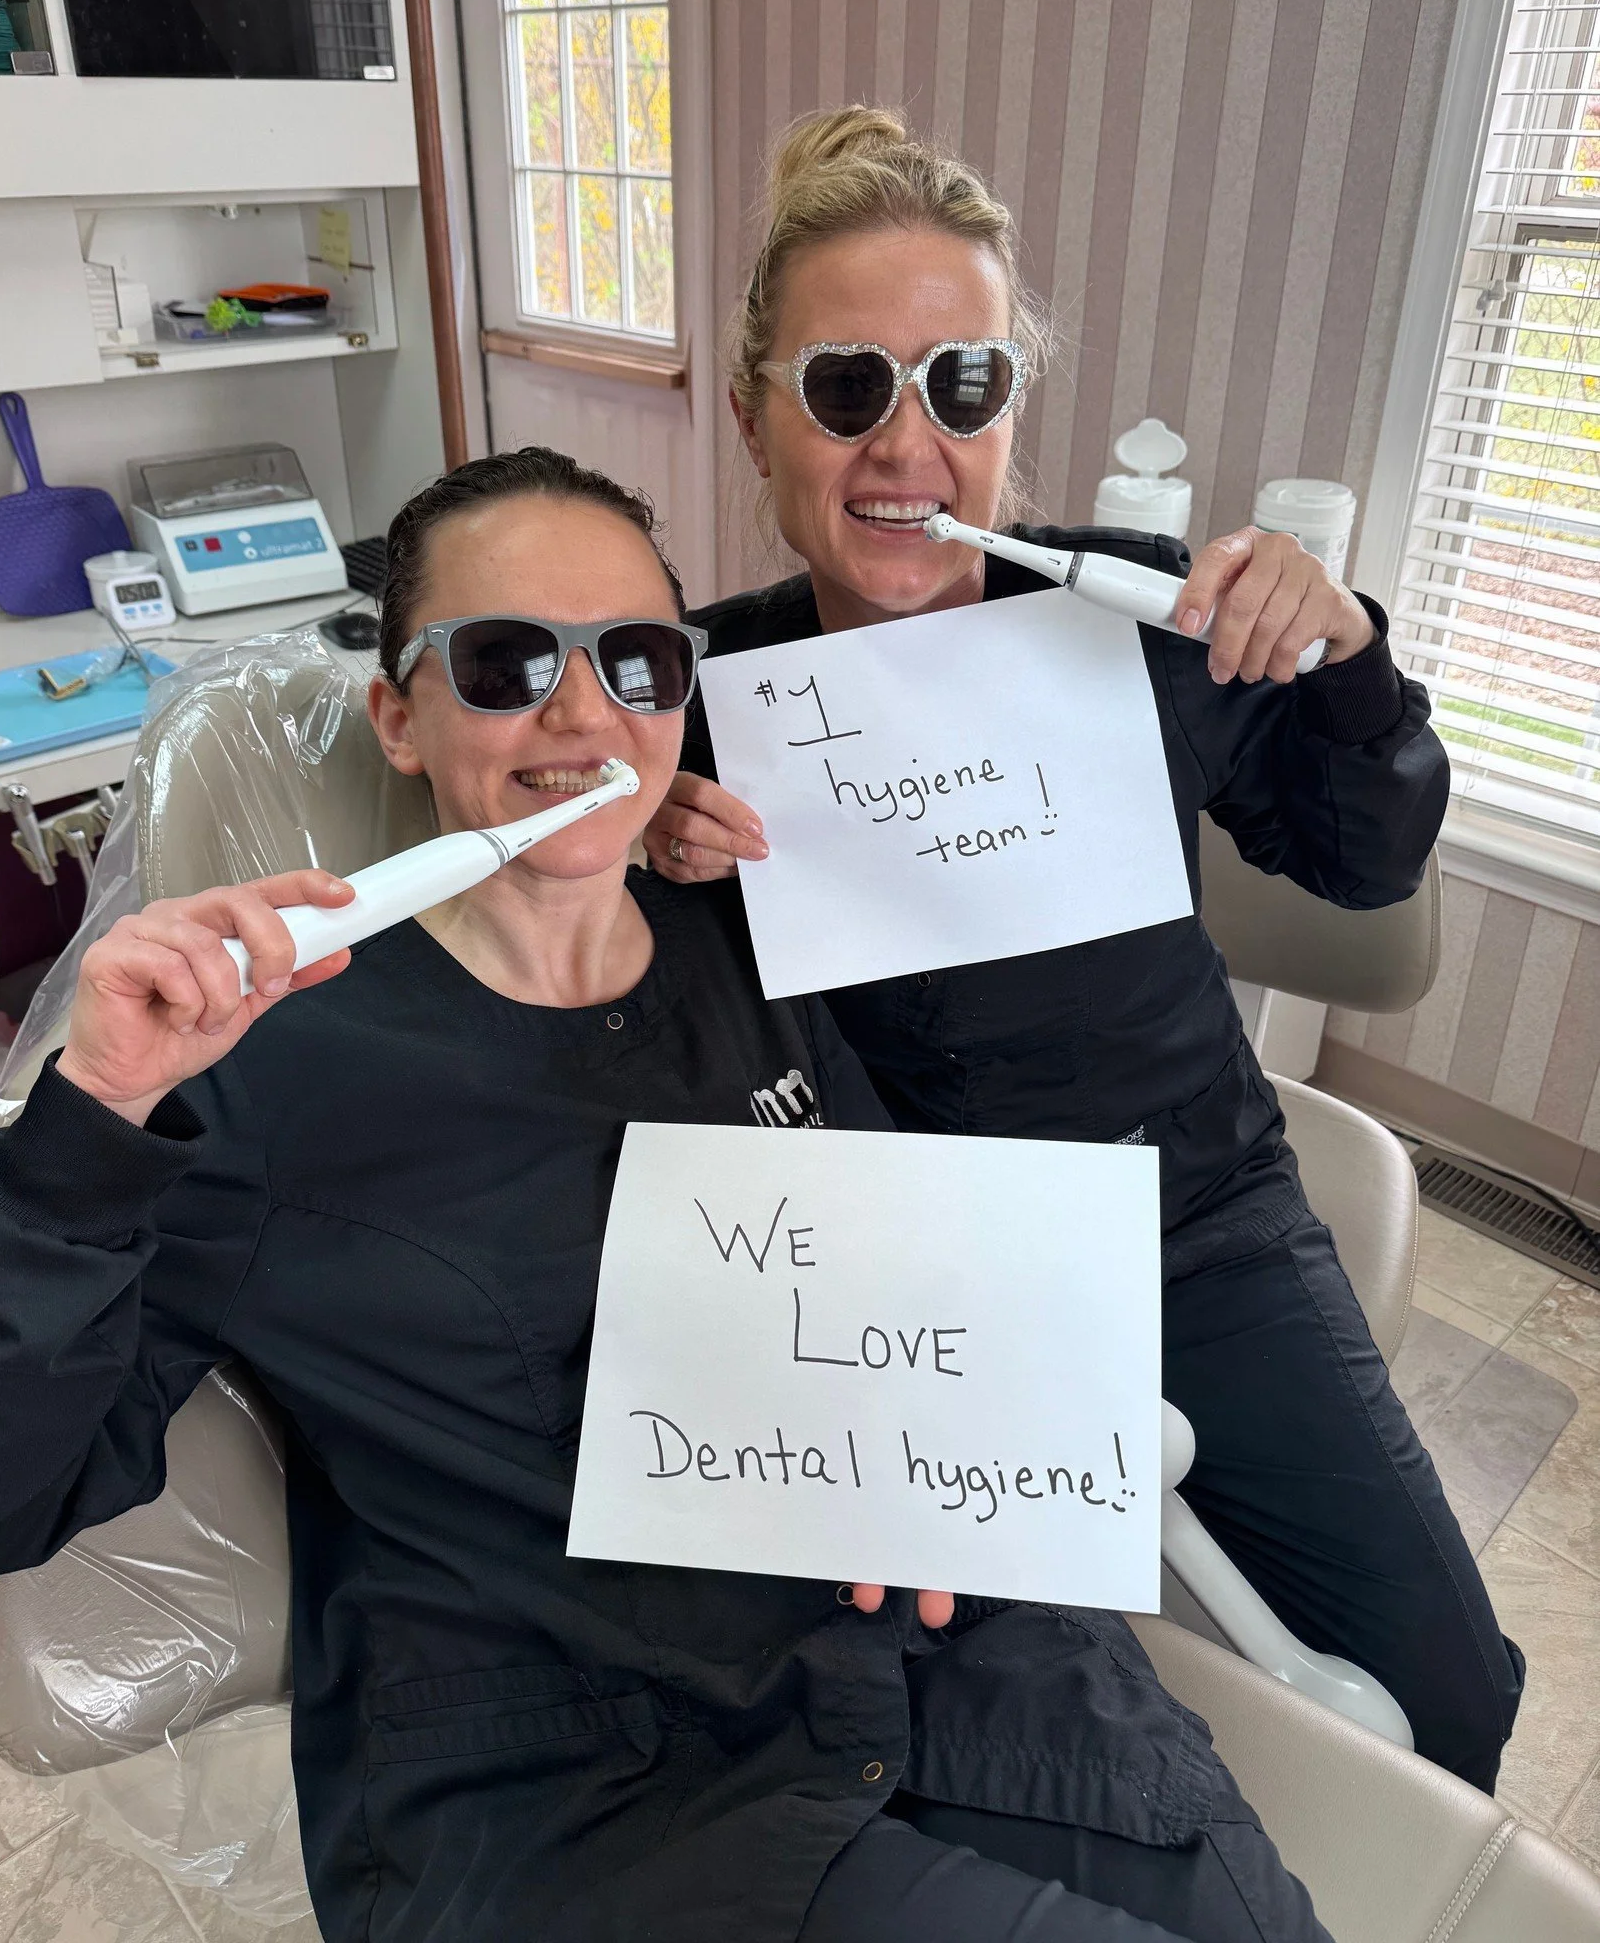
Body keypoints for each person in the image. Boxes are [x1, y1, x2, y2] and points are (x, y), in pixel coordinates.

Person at [0, 448, 1330, 1943]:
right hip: (596, 1798)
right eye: (504, 662)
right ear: (399, 718)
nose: (582, 714)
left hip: (959, 1670)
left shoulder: (756, 952)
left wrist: (955, 1462)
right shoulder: (261, 1071)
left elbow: (911, 1268)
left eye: (638, 661)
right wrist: (93, 1121)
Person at [644, 105, 1523, 1795]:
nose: (906, 444)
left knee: (1444, 1704)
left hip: (1188, 1219)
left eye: (961, 386)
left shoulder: (1140, 621)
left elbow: (1363, 860)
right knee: (971, 1761)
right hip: (890, 1273)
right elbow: (603, 1036)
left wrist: (1342, 652)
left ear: (1008, 418)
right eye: (845, 386)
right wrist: (643, 868)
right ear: (755, 417)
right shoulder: (691, 696)